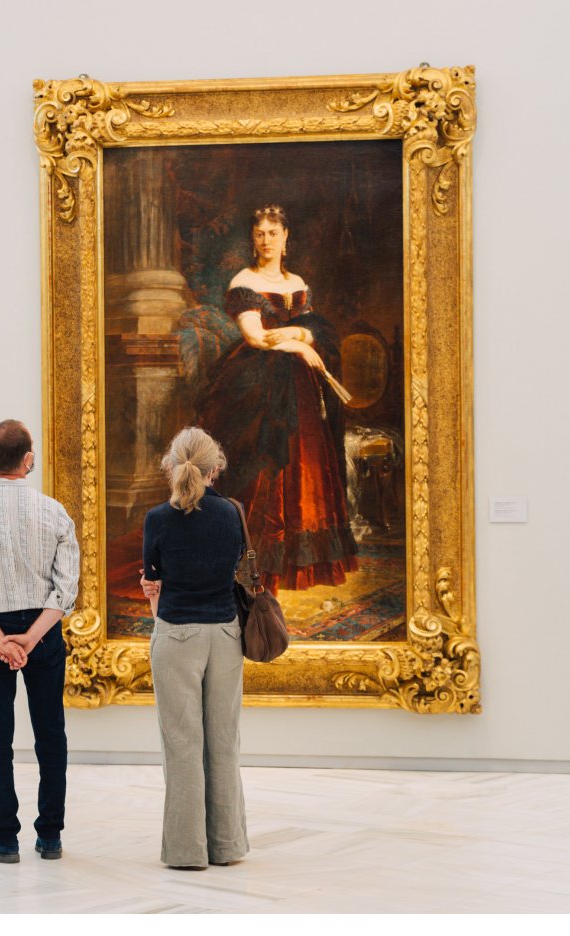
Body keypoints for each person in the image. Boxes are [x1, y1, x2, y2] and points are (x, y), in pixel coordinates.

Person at [197, 205, 357, 593]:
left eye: (273, 232)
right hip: (256, 383)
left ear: (286, 238)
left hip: (299, 386)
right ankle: (255, 559)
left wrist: (302, 339)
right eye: (259, 234)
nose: (266, 240)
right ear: (253, 240)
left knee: (309, 460)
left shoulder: (298, 282)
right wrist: (300, 345)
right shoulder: (244, 281)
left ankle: (305, 560)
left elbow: (312, 328)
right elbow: (256, 337)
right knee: (265, 459)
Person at [0, 420, 79, 865]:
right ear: (28, 459)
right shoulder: (55, 513)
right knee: (50, 735)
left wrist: (3, 642)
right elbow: (65, 591)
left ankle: (4, 836)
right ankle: (50, 837)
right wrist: (31, 636)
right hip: (41, 632)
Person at [140, 426, 249, 871]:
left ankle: (187, 852)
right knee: (223, 742)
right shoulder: (234, 514)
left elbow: (153, 587)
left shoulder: (157, 519)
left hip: (177, 635)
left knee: (182, 745)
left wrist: (156, 602)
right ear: (215, 469)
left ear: (171, 466)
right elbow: (237, 570)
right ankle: (226, 846)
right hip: (225, 634)